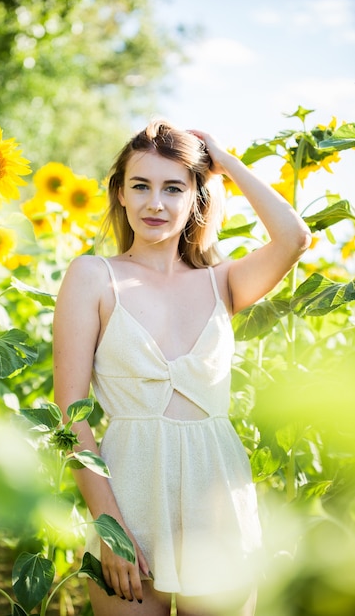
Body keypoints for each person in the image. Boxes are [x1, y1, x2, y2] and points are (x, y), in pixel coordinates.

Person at [53, 120, 311, 616]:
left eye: (174, 188)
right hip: (128, 498)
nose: (156, 203)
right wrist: (109, 529)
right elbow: (70, 413)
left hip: (216, 500)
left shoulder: (222, 282)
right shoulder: (92, 276)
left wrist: (225, 161)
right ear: (121, 195)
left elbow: (294, 237)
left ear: (196, 197)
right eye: (141, 186)